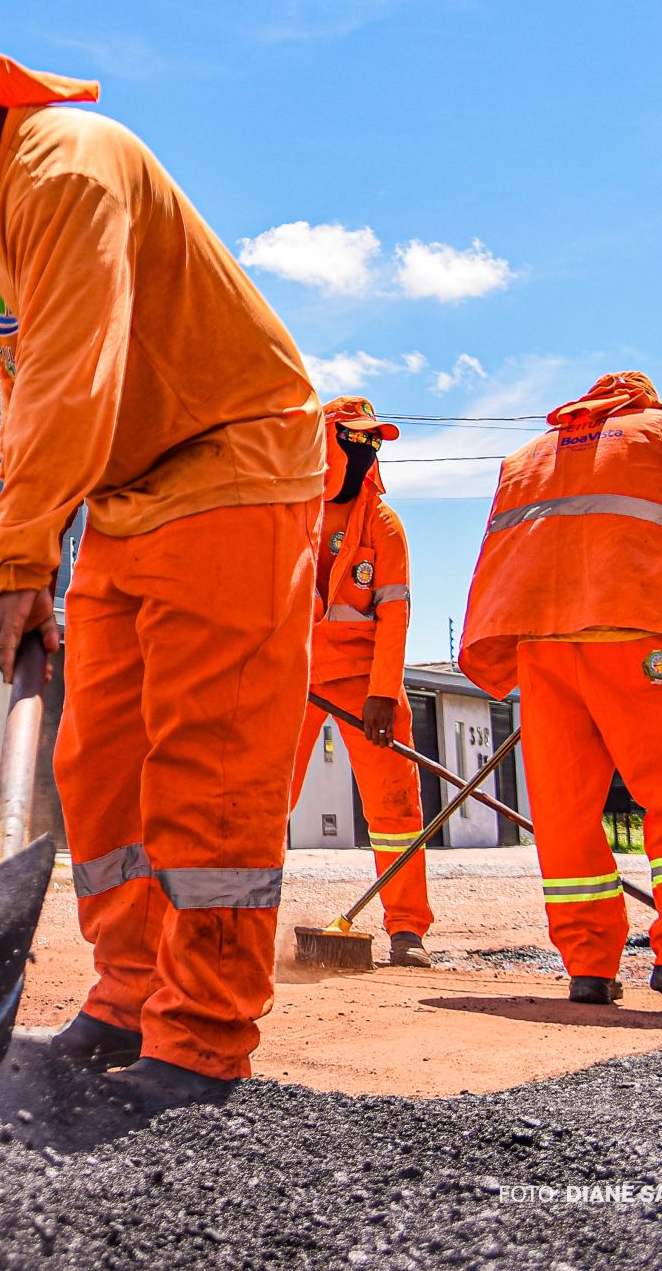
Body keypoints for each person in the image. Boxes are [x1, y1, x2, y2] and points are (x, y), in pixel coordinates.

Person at [0, 9, 322, 1109]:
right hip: (124, 489)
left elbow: (70, 373)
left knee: (207, 765)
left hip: (232, 459)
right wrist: (42, 541)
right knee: (98, 767)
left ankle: (197, 1039)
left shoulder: (68, 164)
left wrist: (17, 557)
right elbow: (23, 374)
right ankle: (128, 993)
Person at [456, 371, 662, 1011]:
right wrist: (647, 572)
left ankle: (590, 967)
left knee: (565, 809)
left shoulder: (526, 456)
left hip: (541, 641)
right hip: (632, 630)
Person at [288, 396, 432, 966]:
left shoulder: (384, 524)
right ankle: (241, 921)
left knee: (396, 809)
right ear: (328, 444)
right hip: (293, 677)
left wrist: (380, 693)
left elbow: (395, 612)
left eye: (372, 444)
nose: (367, 450)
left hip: (364, 682)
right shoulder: (292, 510)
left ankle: (407, 931)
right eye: (355, 439)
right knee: (263, 804)